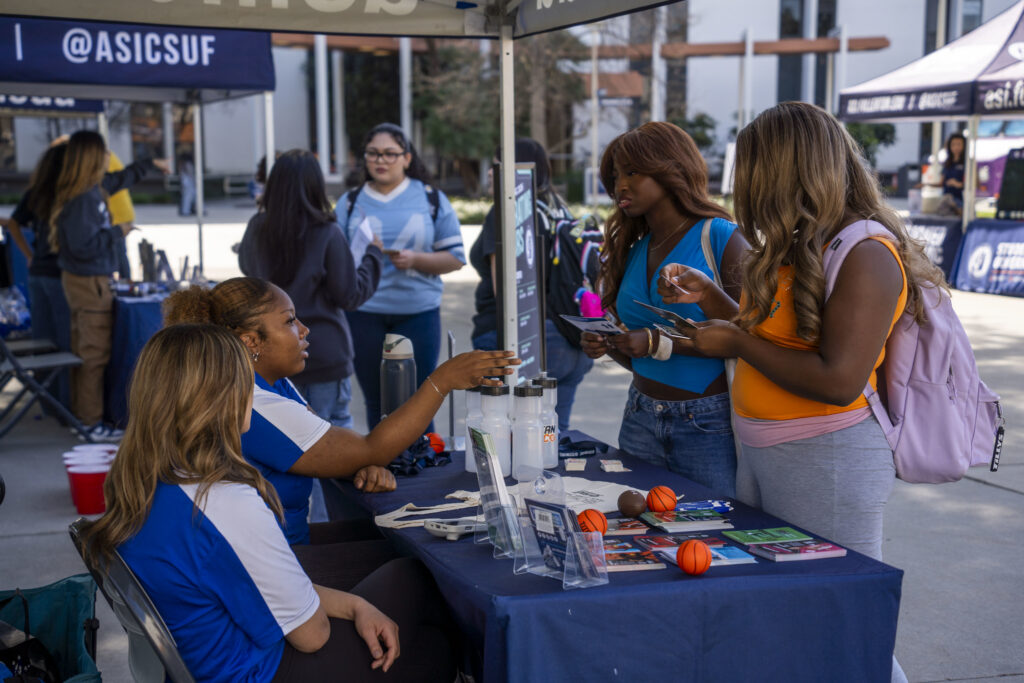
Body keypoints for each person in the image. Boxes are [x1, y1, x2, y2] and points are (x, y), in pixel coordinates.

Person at [658, 102, 941, 683]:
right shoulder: (802, 243)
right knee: (788, 612)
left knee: (841, 619)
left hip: (828, 458)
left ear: (789, 171)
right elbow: (779, 339)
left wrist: (734, 344)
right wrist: (716, 302)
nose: (744, 185)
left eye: (754, 169)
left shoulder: (867, 254)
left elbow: (838, 379)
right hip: (765, 452)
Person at [79, 323, 460, 682]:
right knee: (419, 589)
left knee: (419, 631)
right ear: (220, 397)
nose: (254, 392)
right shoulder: (222, 501)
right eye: (247, 381)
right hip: (255, 670)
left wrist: (355, 606)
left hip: (208, 660)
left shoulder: (145, 480)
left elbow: (258, 590)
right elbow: (312, 636)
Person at [163, 277, 518, 585]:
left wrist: (358, 458)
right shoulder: (252, 401)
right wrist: (442, 381)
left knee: (404, 542)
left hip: (269, 551)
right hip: (269, 567)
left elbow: (334, 445)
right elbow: (368, 448)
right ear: (250, 342)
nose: (304, 329)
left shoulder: (271, 384)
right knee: (421, 571)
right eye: (289, 322)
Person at [579, 121, 748, 497]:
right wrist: (612, 344)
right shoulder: (636, 247)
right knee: (640, 539)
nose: (620, 184)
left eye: (633, 172)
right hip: (639, 414)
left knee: (710, 537)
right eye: (617, 175)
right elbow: (642, 354)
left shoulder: (719, 236)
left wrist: (656, 341)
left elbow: (753, 335)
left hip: (707, 423)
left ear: (670, 169)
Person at [239, 148, 382, 430]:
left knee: (285, 440)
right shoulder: (327, 231)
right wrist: (373, 256)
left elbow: (247, 270)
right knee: (332, 439)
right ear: (316, 186)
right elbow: (349, 295)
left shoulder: (257, 227)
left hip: (270, 355)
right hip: (322, 353)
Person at [341, 123, 465, 430]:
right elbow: (336, 259)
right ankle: (381, 467)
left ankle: (422, 467)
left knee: (420, 400)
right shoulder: (350, 202)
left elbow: (455, 258)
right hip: (364, 313)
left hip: (418, 312)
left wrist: (416, 260)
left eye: (390, 154)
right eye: (373, 154)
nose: (380, 160)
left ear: (407, 158)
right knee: (376, 401)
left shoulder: (430, 199)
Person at [49, 130, 167, 441]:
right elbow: (82, 246)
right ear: (90, 157)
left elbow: (120, 179)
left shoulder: (92, 190)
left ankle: (86, 419)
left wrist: (149, 163)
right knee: (93, 355)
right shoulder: (84, 199)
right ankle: (89, 423)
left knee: (89, 352)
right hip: (88, 284)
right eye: (103, 153)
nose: (107, 159)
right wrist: (119, 231)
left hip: (91, 282)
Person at [470, 138, 593, 432]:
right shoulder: (560, 209)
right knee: (551, 437)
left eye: (498, 165)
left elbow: (507, 291)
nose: (490, 172)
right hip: (570, 338)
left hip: (525, 341)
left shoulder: (509, 210)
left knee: (511, 439)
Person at [4, 142, 72, 409]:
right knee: (64, 345)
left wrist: (29, 254)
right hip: (59, 274)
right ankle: (65, 406)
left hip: (38, 273)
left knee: (44, 342)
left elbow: (12, 223)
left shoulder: (37, 191)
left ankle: (48, 404)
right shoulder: (67, 193)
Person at [941, 132, 966, 208]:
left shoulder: (967, 163)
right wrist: (926, 184)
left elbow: (972, 184)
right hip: (947, 198)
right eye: (953, 145)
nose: (956, 148)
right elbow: (941, 182)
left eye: (959, 144)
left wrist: (957, 184)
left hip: (960, 199)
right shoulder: (947, 163)